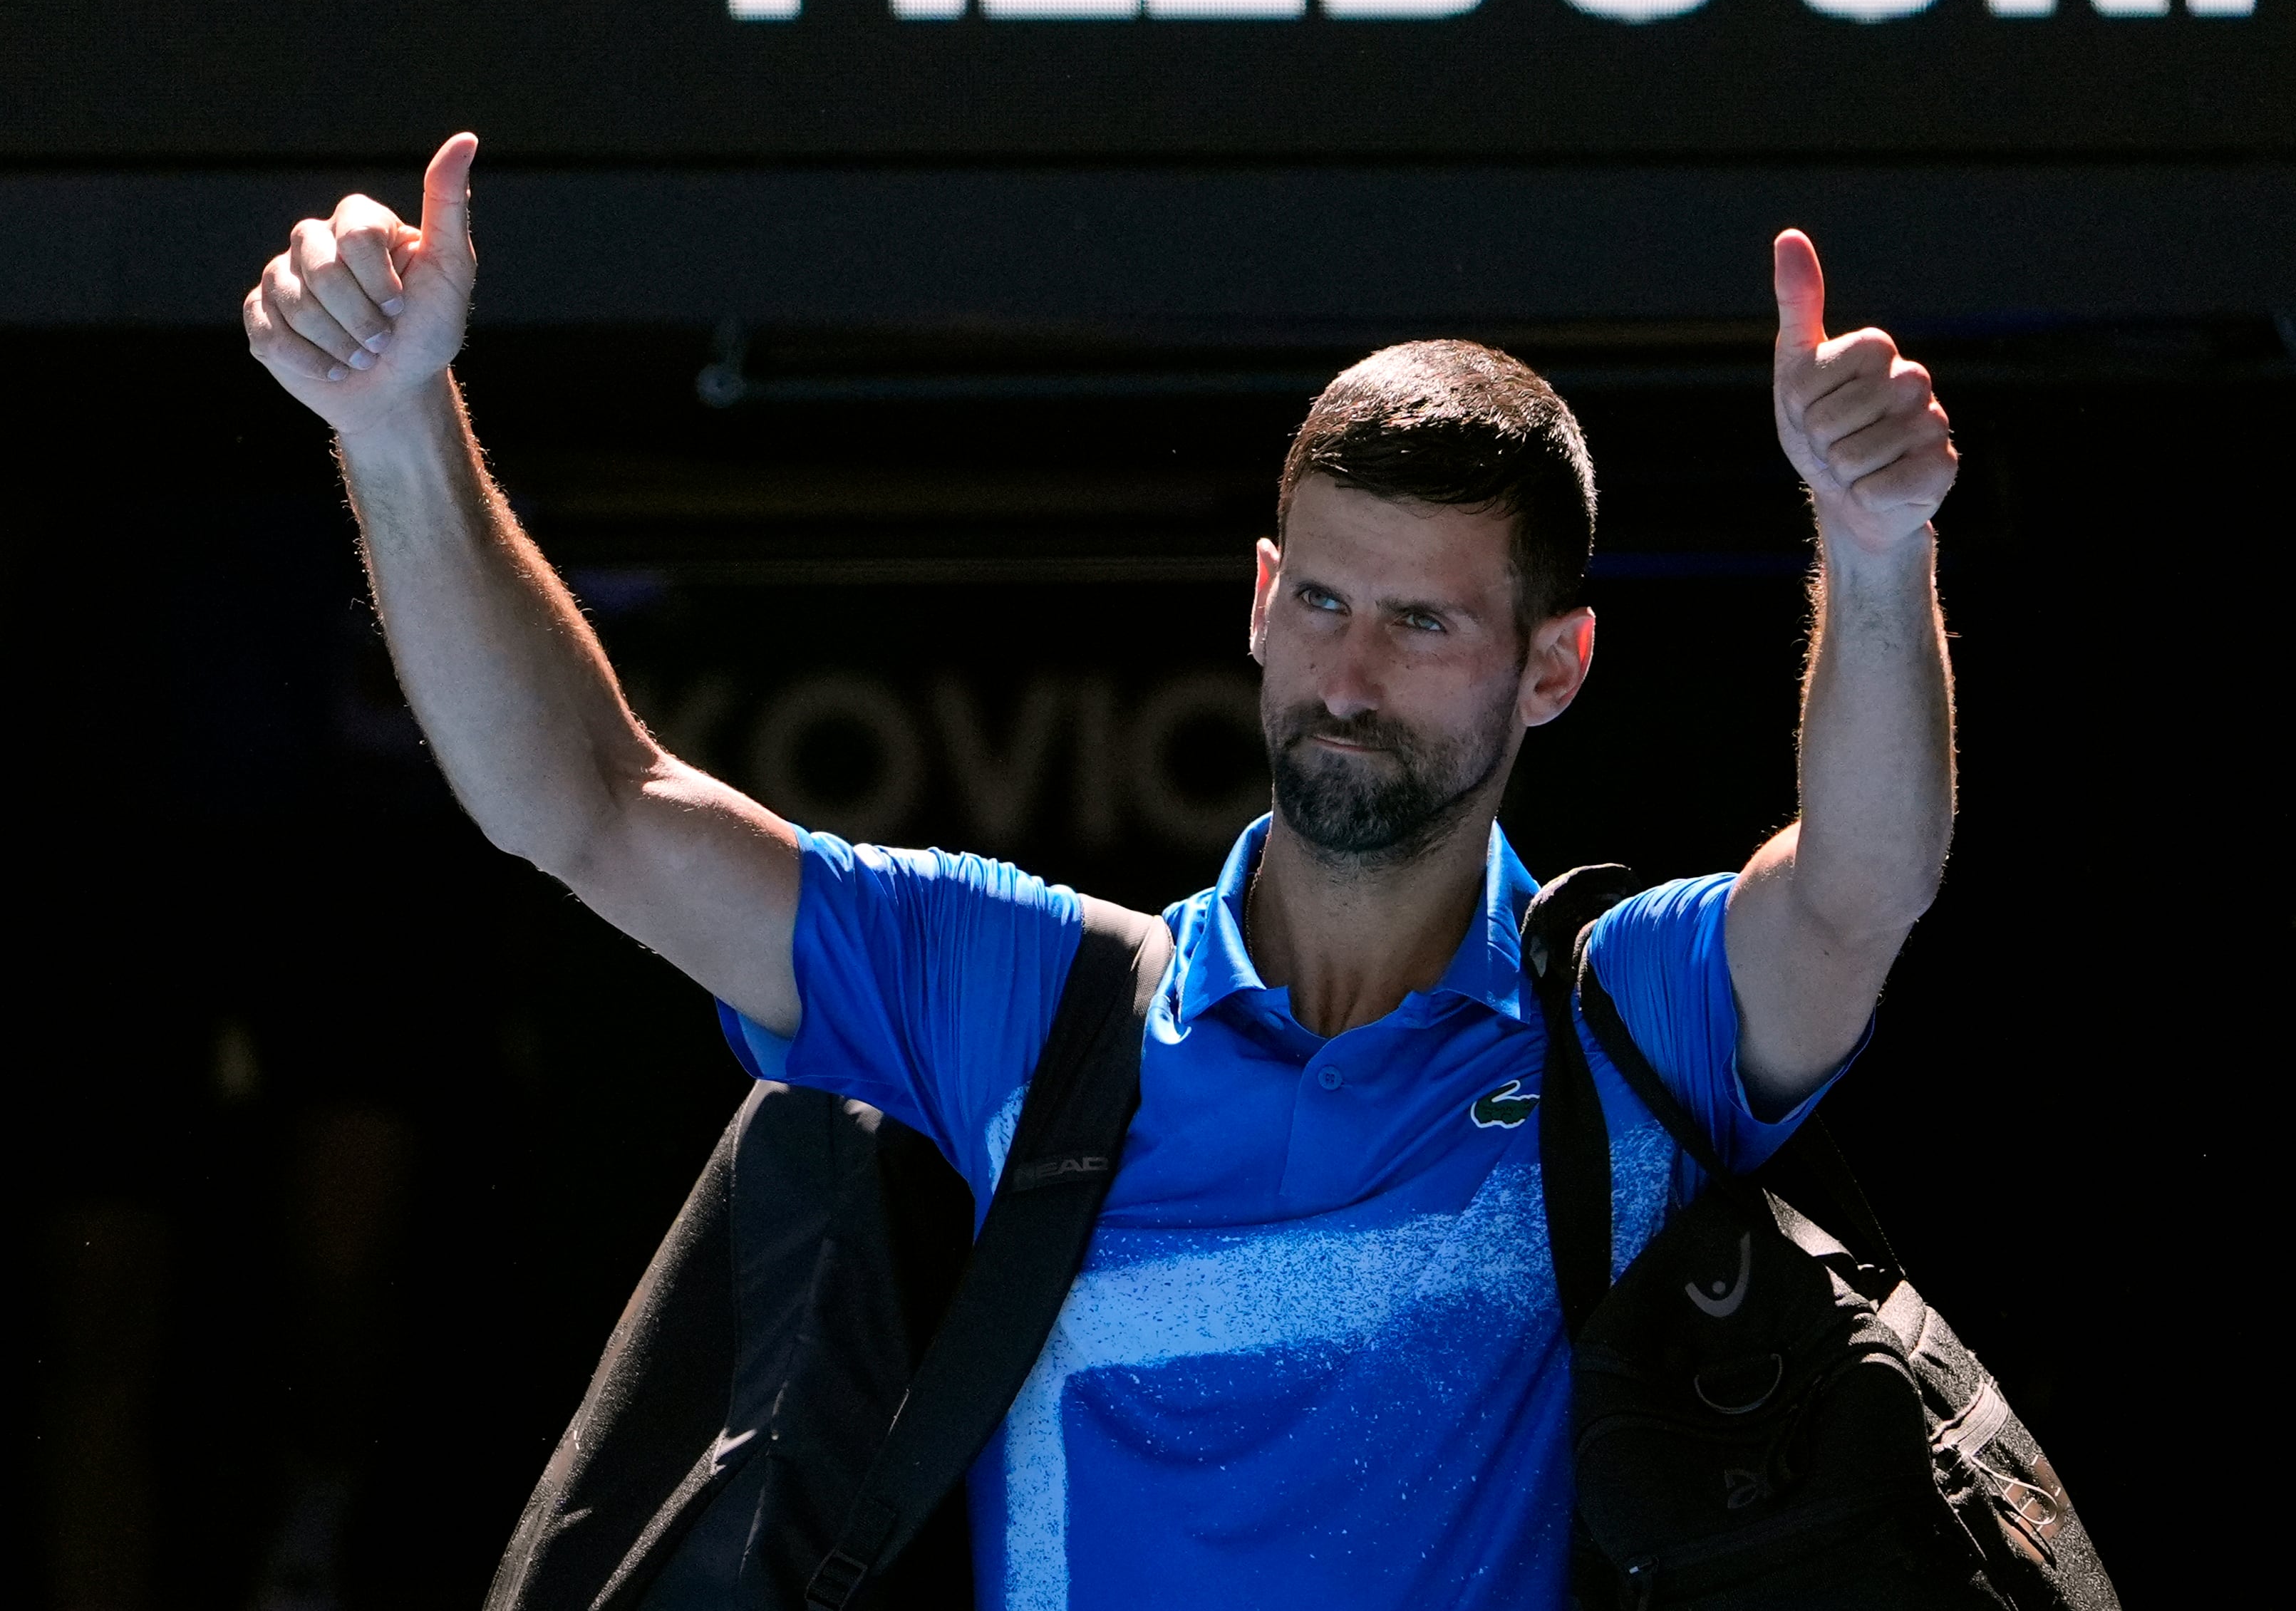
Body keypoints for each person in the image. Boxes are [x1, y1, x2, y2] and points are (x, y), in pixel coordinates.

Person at [239, 133, 1960, 1610]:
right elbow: (590, 805)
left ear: (1555, 667)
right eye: (1321, 603)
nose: (1347, 678)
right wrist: (396, 426)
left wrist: (1874, 552)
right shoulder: (1023, 1002)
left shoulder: (1619, 1030)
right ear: (1261, 594)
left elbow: (1853, 892)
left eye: (1425, 623)